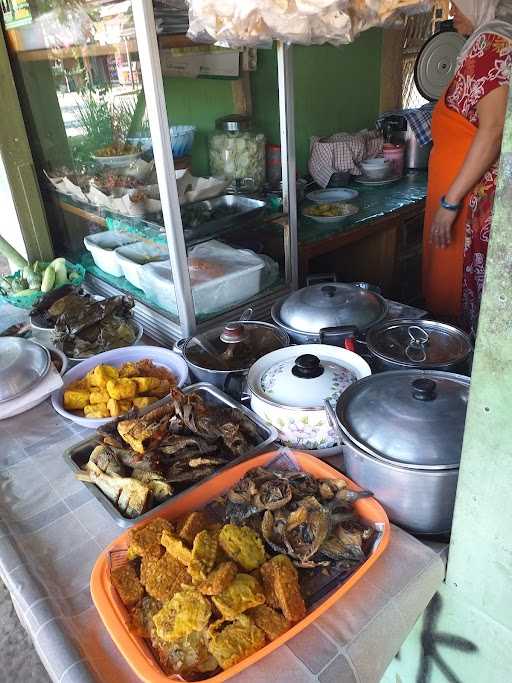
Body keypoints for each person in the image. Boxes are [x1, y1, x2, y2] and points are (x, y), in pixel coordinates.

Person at [422, 0, 512, 334]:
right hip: (464, 197)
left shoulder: (492, 47)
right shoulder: (486, 43)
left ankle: (459, 374)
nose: (451, 11)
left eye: (457, 3)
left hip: (472, 205)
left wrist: (450, 202)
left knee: (461, 314)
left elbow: (492, 131)